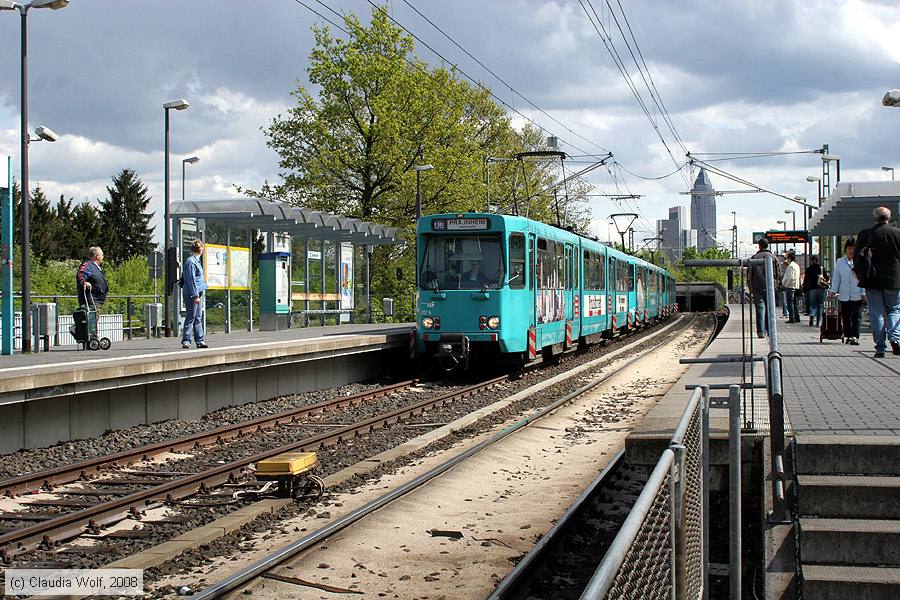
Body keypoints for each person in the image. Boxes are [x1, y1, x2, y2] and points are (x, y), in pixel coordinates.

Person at [854, 206, 900, 357]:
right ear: (889, 217)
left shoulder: (865, 234)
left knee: (876, 313)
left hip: (872, 279)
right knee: (894, 310)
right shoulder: (897, 233)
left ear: (875, 218)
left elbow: (857, 259)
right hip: (894, 279)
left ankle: (880, 348)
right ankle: (895, 338)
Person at [829, 238, 865, 345]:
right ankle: (848, 335)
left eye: (853, 248)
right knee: (845, 316)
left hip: (857, 293)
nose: (851, 251)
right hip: (844, 294)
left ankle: (855, 336)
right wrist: (833, 291)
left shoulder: (860, 261)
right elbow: (836, 278)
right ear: (846, 249)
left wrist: (864, 293)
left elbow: (864, 278)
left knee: (856, 316)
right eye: (849, 248)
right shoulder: (840, 262)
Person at [747, 237, 780, 338]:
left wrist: (750, 287)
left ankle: (761, 332)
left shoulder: (754, 258)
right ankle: (770, 331)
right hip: (771, 288)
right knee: (770, 309)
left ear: (759, 246)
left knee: (760, 309)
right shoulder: (774, 258)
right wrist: (776, 285)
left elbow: (749, 275)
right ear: (768, 245)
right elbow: (778, 274)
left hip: (757, 287)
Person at [181, 240, 208, 349]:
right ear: (200, 249)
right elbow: (191, 279)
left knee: (198, 317)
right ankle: (186, 340)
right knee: (191, 316)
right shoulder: (191, 262)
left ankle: (199, 340)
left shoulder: (196, 261)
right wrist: (195, 295)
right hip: (193, 293)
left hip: (198, 292)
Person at [76, 246, 108, 311]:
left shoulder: (95, 266)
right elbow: (81, 274)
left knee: (93, 320)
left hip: (97, 301)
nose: (103, 257)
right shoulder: (88, 264)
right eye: (102, 255)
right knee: (90, 320)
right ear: (97, 256)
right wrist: (84, 283)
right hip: (91, 301)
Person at [804, 256, 827, 327]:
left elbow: (806, 280)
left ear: (811, 261)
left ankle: (812, 315)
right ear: (818, 260)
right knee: (820, 305)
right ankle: (818, 323)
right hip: (821, 288)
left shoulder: (809, 269)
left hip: (812, 289)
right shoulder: (821, 268)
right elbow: (826, 277)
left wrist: (805, 289)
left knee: (813, 305)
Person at [781, 249, 801, 323]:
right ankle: (797, 317)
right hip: (796, 286)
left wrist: (785, 284)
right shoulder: (797, 266)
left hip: (790, 286)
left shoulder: (790, 266)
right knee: (795, 303)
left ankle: (791, 318)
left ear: (789, 258)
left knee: (790, 303)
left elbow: (790, 277)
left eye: (787, 258)